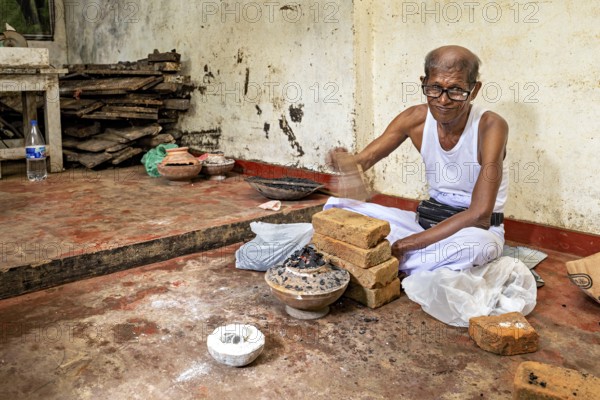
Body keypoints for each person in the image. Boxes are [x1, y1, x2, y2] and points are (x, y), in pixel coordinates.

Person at [327, 45, 509, 275]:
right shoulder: (415, 119)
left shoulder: (490, 126)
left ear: (474, 90)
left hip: (472, 231)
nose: (443, 100)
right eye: (434, 88)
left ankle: (383, 263)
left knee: (477, 248)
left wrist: (408, 244)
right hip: (423, 223)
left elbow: (479, 215)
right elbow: (362, 161)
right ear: (424, 82)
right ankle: (415, 266)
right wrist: (345, 163)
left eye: (456, 90)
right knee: (335, 208)